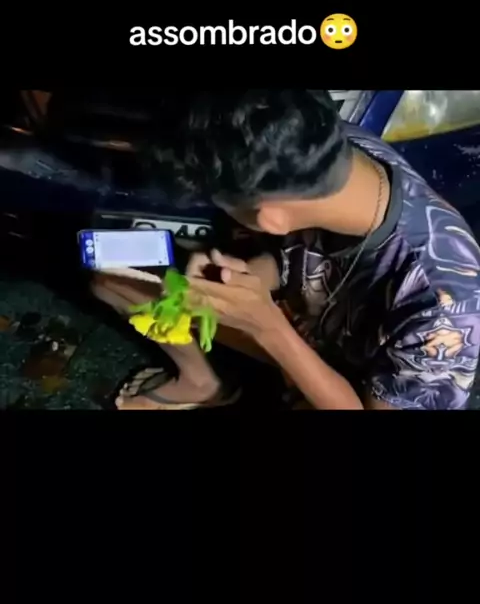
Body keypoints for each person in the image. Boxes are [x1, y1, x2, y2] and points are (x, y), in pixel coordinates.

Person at [92, 89, 480, 410]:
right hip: (302, 329)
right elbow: (293, 258)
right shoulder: (327, 150)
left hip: (351, 385)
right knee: (115, 280)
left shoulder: (445, 308)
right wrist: (244, 279)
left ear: (271, 218)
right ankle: (202, 383)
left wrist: (269, 329)